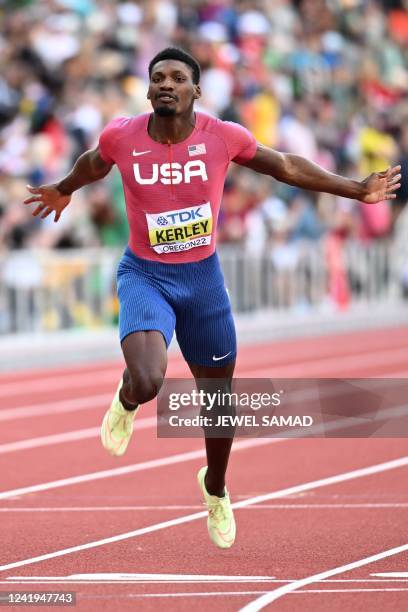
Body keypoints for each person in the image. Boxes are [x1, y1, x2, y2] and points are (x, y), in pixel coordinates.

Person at [23, 47, 401, 550]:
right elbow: (94, 163)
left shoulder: (222, 136)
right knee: (149, 378)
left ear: (195, 91)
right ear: (148, 88)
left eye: (178, 78)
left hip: (203, 281)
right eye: (158, 77)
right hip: (146, 274)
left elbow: (284, 164)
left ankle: (216, 488)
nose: (166, 84)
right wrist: (64, 189)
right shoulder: (123, 136)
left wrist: (355, 189)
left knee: (219, 405)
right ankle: (128, 396)